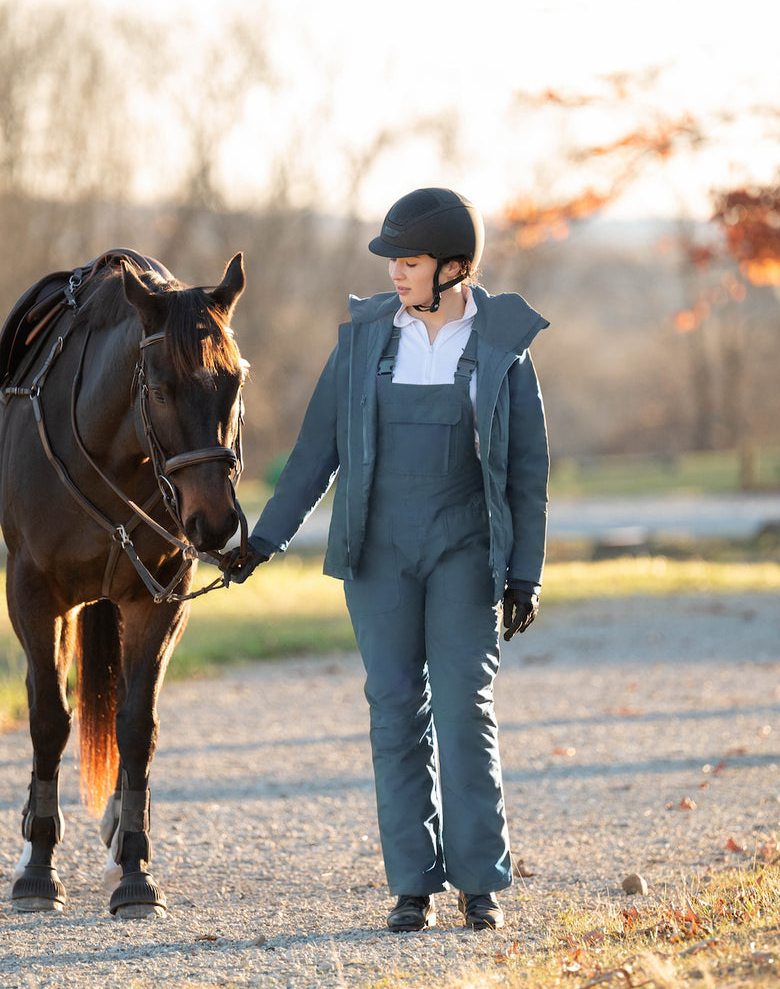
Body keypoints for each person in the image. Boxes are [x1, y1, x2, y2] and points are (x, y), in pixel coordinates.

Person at [229, 187, 549, 932]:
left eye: (409, 261)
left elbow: (529, 472)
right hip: (378, 549)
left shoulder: (504, 347)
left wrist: (525, 571)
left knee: (464, 707)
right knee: (394, 708)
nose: (396, 274)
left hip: (466, 547)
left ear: (454, 267)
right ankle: (412, 883)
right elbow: (316, 453)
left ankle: (480, 881)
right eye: (394, 262)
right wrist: (263, 541)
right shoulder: (366, 339)